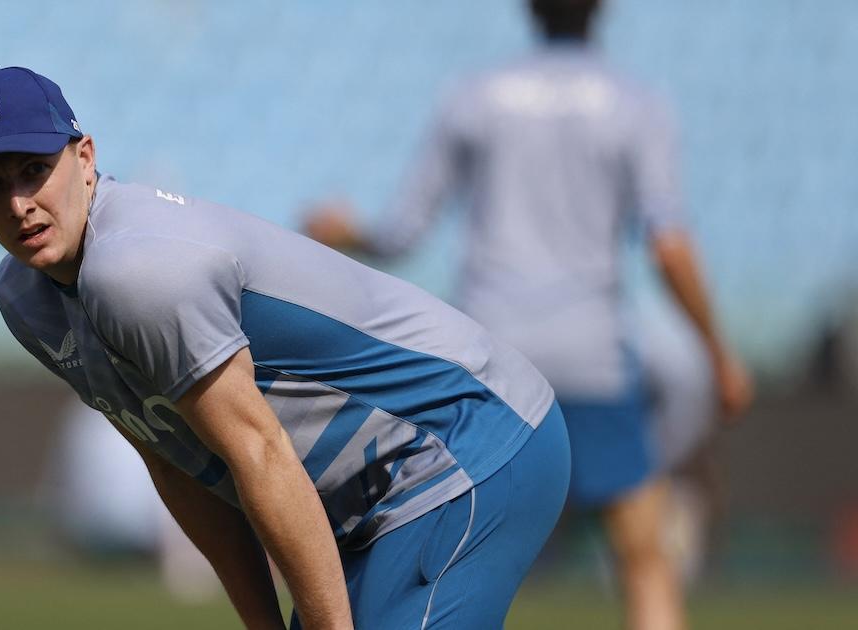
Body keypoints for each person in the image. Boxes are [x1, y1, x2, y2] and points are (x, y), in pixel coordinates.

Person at [0, 65, 571, 629]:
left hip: (465, 439)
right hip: (366, 495)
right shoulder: (25, 299)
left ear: (85, 157)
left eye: (34, 170)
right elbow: (175, 464)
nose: (20, 203)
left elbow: (261, 454)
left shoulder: (137, 272)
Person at [303, 1, 753, 629]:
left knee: (458, 558)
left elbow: (404, 230)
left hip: (491, 358)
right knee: (644, 558)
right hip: (591, 354)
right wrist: (718, 353)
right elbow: (669, 244)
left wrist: (345, 229)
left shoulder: (473, 97)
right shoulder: (636, 103)